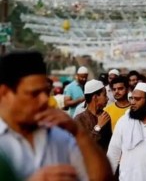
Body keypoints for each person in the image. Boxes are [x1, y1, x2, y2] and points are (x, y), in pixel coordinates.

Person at [0, 51, 113, 181]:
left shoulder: (59, 137)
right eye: (34, 93)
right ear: (4, 93)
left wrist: (80, 133)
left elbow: (102, 178)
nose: (44, 99)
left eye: (45, 92)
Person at [74, 79, 112, 151]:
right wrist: (98, 127)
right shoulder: (79, 119)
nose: (107, 98)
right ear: (95, 97)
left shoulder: (105, 116)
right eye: (104, 95)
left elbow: (109, 143)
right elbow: (83, 146)